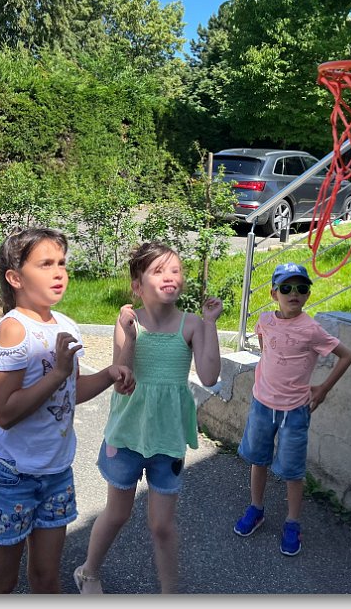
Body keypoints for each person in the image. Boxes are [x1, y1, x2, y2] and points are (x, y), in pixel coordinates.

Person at [0, 227, 135, 594]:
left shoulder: (65, 326)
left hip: (57, 473)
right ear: (15, 278)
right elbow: (5, 413)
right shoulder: (13, 329)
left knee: (46, 578)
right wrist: (58, 372)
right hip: (14, 476)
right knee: (0, 582)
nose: (59, 272)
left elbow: (70, 393)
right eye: (45, 264)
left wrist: (109, 373)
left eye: (61, 263)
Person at [73, 241, 223, 594]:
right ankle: (88, 572)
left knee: (162, 526)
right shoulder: (129, 323)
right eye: (158, 271)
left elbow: (209, 376)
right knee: (117, 514)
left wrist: (211, 324)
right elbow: (121, 380)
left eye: (176, 270)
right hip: (127, 435)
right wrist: (129, 335)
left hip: (168, 439)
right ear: (137, 286)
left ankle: (170, 593)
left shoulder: (192, 325)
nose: (170, 276)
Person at [232, 261, 351, 556]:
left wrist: (323, 389)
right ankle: (256, 508)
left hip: (294, 412)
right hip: (262, 405)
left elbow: (346, 356)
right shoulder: (265, 320)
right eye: (286, 288)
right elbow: (266, 348)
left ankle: (292, 523)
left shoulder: (311, 329)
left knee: (292, 470)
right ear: (274, 294)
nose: (294, 293)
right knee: (258, 459)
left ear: (308, 294)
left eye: (301, 288)